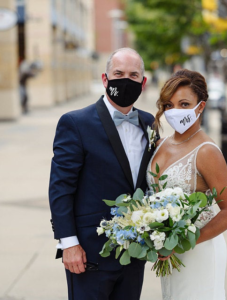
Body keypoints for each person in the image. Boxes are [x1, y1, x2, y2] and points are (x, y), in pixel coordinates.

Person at [49, 48, 157, 300]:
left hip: (135, 252)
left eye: (133, 75)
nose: (125, 80)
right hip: (89, 253)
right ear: (105, 79)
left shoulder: (149, 123)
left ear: (143, 83)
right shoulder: (76, 123)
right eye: (118, 73)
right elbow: (60, 188)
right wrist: (69, 243)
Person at [147, 69, 227, 300]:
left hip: (199, 250)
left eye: (184, 103)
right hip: (168, 252)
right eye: (169, 105)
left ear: (201, 106)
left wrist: (180, 244)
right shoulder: (160, 144)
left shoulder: (207, 151)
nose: (175, 111)